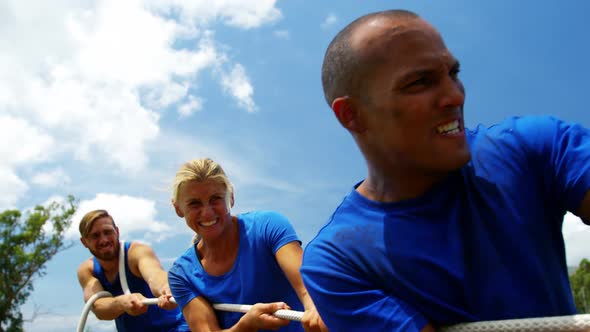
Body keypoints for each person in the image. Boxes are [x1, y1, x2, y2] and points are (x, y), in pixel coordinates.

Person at [299, 9, 590, 332]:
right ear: (352, 115)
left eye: (453, 73)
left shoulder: (536, 146)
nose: (455, 95)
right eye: (420, 82)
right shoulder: (338, 263)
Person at [168, 158, 327, 332]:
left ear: (232, 198)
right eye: (194, 203)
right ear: (178, 209)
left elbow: (307, 289)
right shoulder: (181, 274)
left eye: (216, 199)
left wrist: (315, 309)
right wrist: (247, 326)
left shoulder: (268, 226)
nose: (207, 212)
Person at [77, 209, 189, 332]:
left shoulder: (136, 252)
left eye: (107, 232)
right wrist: (121, 303)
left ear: (117, 232)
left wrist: (166, 290)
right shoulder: (87, 270)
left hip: (176, 328)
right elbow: (98, 307)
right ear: (84, 242)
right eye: (95, 236)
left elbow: (155, 275)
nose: (104, 240)